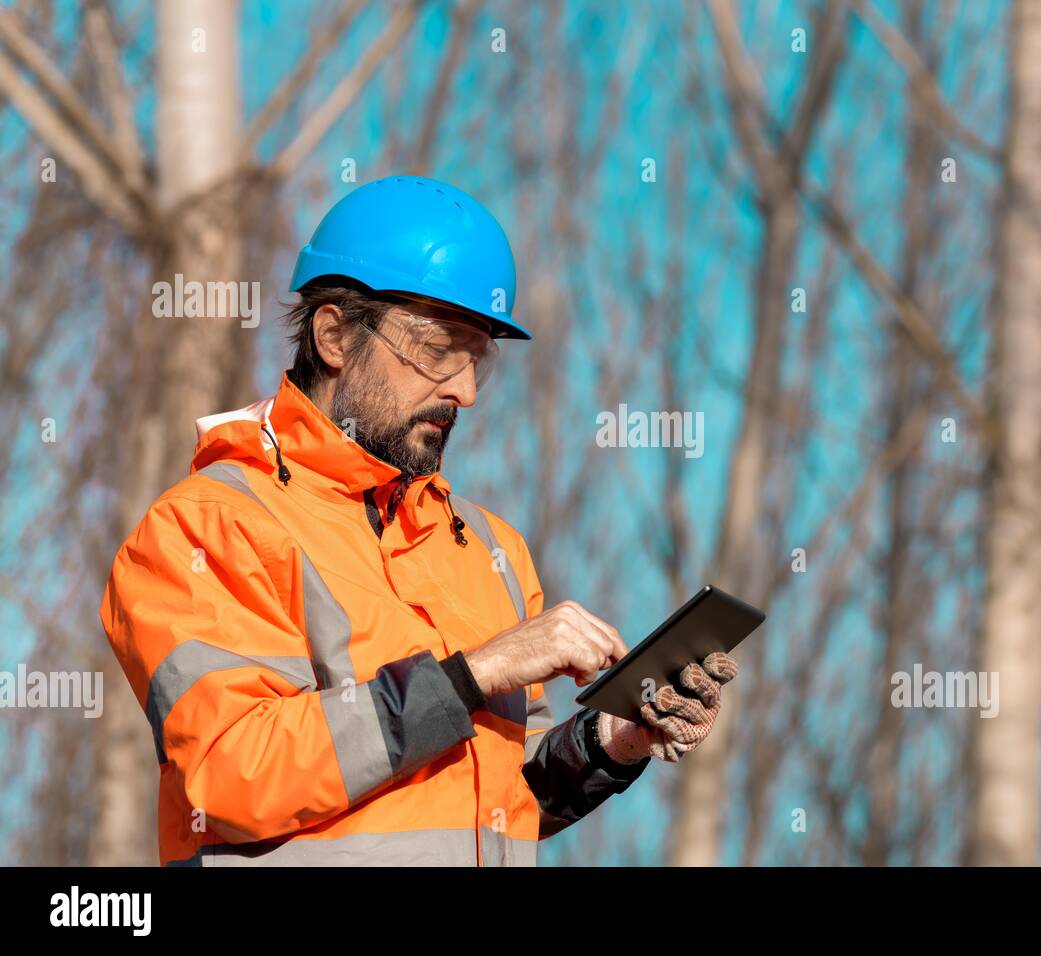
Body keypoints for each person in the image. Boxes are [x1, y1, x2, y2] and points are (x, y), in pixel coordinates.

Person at [99, 176, 739, 866]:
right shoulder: (208, 526)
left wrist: (608, 743)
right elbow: (232, 773)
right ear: (336, 335)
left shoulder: (490, 549)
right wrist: (477, 670)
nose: (463, 391)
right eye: (439, 350)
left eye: (478, 360)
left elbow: (504, 803)